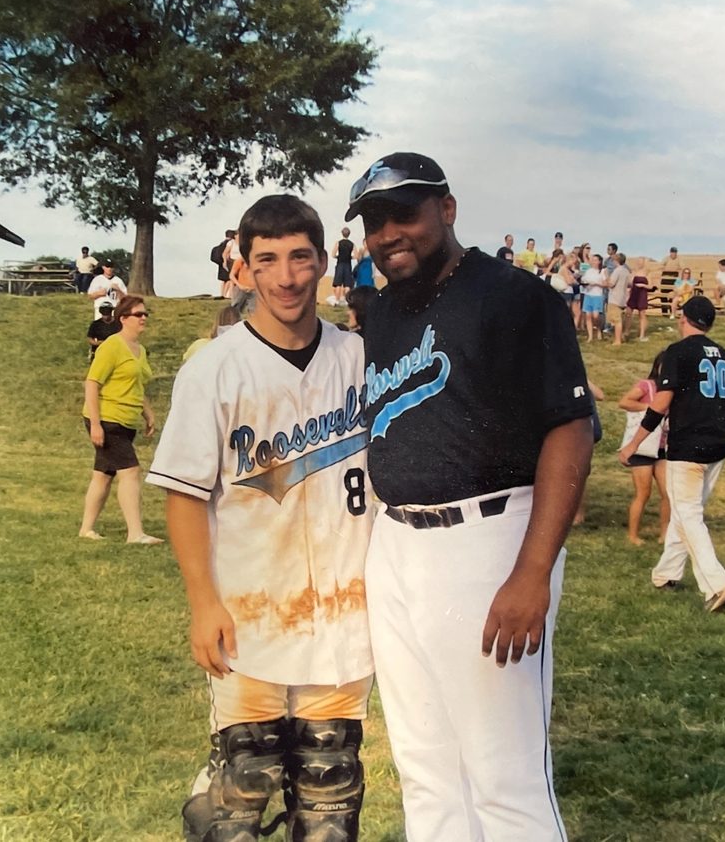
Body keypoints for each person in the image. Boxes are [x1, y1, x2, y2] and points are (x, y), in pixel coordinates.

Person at [346, 151, 592, 840]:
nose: (389, 234)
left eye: (405, 214)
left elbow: (571, 433)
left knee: (503, 778)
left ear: (446, 209)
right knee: (426, 773)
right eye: (374, 222)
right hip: (395, 542)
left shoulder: (514, 297)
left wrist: (533, 570)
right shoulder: (386, 311)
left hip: (488, 538)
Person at [148, 195, 373, 842]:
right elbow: (185, 494)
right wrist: (202, 603)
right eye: (266, 260)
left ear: (324, 262)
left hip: (341, 616)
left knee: (330, 803)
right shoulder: (214, 370)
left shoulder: (359, 359)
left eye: (300, 257)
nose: (286, 276)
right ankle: (211, 798)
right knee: (240, 802)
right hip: (250, 616)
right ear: (242, 270)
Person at [619, 296, 725, 612]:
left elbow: (661, 404)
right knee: (685, 511)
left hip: (687, 446)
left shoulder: (676, 353)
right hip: (718, 445)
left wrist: (633, 444)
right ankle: (665, 574)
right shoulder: (724, 354)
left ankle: (716, 584)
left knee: (689, 515)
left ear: (684, 318)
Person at [78, 295, 161, 545]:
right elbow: (92, 383)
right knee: (131, 472)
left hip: (126, 420)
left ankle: (86, 529)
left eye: (146, 314)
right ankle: (135, 533)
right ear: (123, 319)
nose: (144, 318)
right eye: (139, 314)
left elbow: (136, 383)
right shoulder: (112, 346)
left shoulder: (140, 350)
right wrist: (95, 424)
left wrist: (147, 411)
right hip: (107, 419)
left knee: (103, 474)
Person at [618, 353, 670, 546]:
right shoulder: (647, 386)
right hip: (643, 447)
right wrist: (651, 408)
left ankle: (664, 533)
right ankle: (633, 535)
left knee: (668, 492)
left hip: (663, 447)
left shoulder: (674, 390)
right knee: (643, 493)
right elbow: (625, 402)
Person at [581, 252, 607, 342]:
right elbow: (583, 279)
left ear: (599, 261)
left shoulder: (603, 271)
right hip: (588, 294)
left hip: (597, 295)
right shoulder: (588, 271)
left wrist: (596, 283)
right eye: (592, 260)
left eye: (595, 260)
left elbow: (606, 284)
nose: (593, 261)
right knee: (588, 316)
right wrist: (585, 283)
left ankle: (599, 329)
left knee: (595, 316)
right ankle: (590, 336)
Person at [625, 255, 652, 341]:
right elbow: (629, 283)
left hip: (642, 294)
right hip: (633, 294)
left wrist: (643, 285)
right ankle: (626, 331)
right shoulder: (634, 272)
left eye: (641, 262)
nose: (639, 263)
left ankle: (642, 335)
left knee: (642, 314)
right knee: (628, 312)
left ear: (644, 263)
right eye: (638, 261)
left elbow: (651, 286)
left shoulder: (647, 272)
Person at [607, 252, 631, 345]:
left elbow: (612, 283)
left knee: (617, 320)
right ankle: (620, 337)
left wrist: (607, 280)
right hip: (622, 298)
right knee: (619, 319)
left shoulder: (617, 271)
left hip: (615, 298)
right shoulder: (626, 271)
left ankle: (617, 340)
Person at [329, 226, 356, 305]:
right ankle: (347, 301)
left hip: (340, 264)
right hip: (348, 265)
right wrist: (350, 257)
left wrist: (338, 256)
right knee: (347, 284)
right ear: (349, 234)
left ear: (342, 234)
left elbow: (333, 254)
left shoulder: (338, 243)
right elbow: (356, 255)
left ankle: (337, 301)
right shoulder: (352, 244)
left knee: (338, 284)